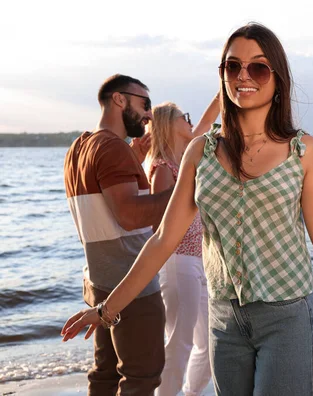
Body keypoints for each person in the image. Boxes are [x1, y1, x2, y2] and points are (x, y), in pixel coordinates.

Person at [61, 23, 313, 396]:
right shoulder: (200, 153)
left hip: (287, 318)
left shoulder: (304, 151)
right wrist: (107, 309)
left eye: (257, 67)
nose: (243, 75)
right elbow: (162, 240)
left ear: (277, 78)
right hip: (224, 324)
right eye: (232, 66)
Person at [63, 74, 173, 395]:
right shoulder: (113, 147)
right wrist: (189, 191)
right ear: (119, 100)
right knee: (142, 378)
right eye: (145, 104)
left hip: (99, 282)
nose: (150, 115)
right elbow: (129, 215)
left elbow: (101, 207)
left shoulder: (79, 147)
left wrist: (134, 160)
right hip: (132, 287)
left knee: (105, 376)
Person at [146, 100, 218, 396]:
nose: (189, 121)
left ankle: (189, 393)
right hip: (176, 262)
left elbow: (208, 119)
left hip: (200, 261)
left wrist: (225, 89)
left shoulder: (187, 158)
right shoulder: (163, 168)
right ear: (168, 125)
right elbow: (158, 226)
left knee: (212, 341)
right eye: (183, 117)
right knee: (179, 342)